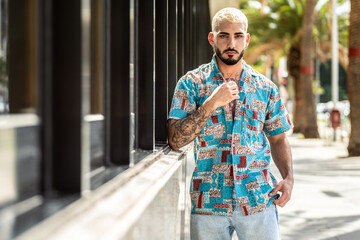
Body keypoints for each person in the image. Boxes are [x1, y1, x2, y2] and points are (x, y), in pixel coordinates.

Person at [167, 7, 293, 240]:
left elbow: (279, 138)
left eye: (237, 36)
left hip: (258, 200)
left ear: (246, 39)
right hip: (208, 203)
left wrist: (288, 178)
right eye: (224, 35)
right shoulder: (191, 83)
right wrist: (210, 104)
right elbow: (175, 140)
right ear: (212, 38)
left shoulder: (265, 87)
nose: (231, 43)